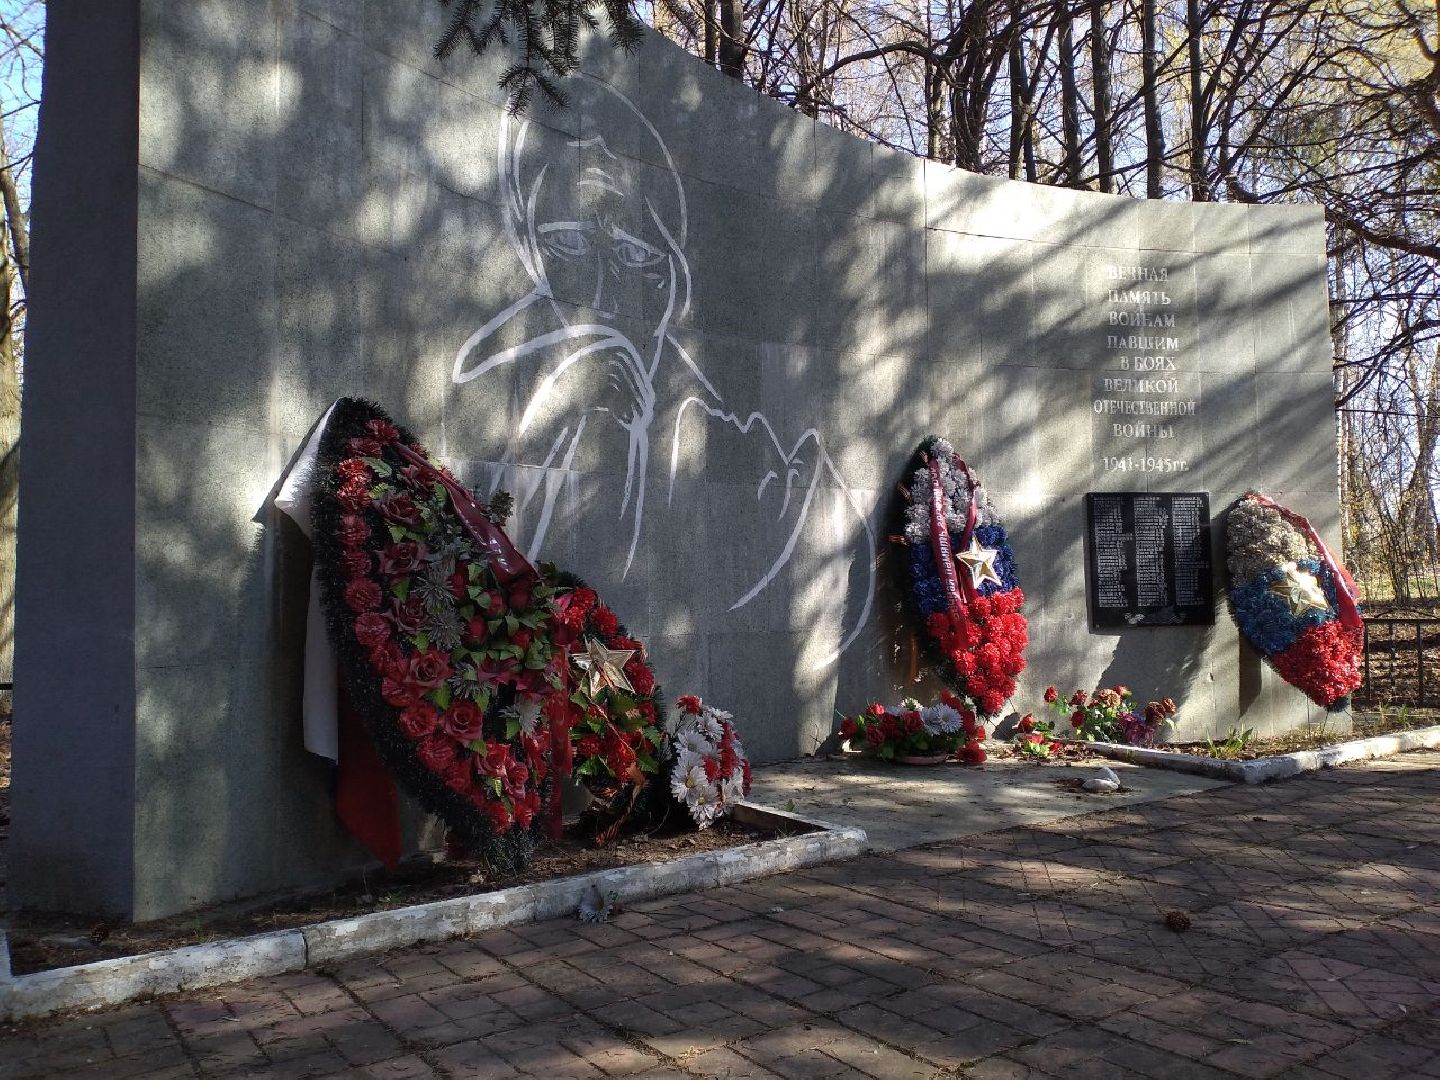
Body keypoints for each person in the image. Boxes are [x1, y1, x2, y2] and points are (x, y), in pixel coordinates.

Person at [451, 74, 874, 665]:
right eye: (569, 248)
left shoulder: (722, 429)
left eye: (634, 255)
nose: (603, 292)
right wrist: (557, 402)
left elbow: (820, 582)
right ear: (531, 250)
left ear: (673, 274)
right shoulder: (489, 374)